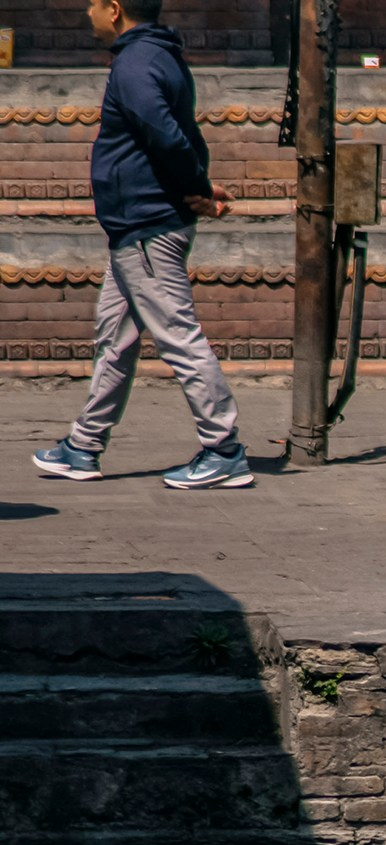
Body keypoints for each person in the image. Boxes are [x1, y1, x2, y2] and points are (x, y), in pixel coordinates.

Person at [33, 0, 248, 490]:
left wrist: (195, 186)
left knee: (178, 336)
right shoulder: (161, 56)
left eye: (93, 3)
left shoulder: (135, 63)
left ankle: (224, 449)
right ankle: (83, 445)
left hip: (147, 227)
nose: (87, 12)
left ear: (114, 9)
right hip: (136, 229)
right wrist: (199, 185)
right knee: (115, 339)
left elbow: (165, 135)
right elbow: (182, 133)